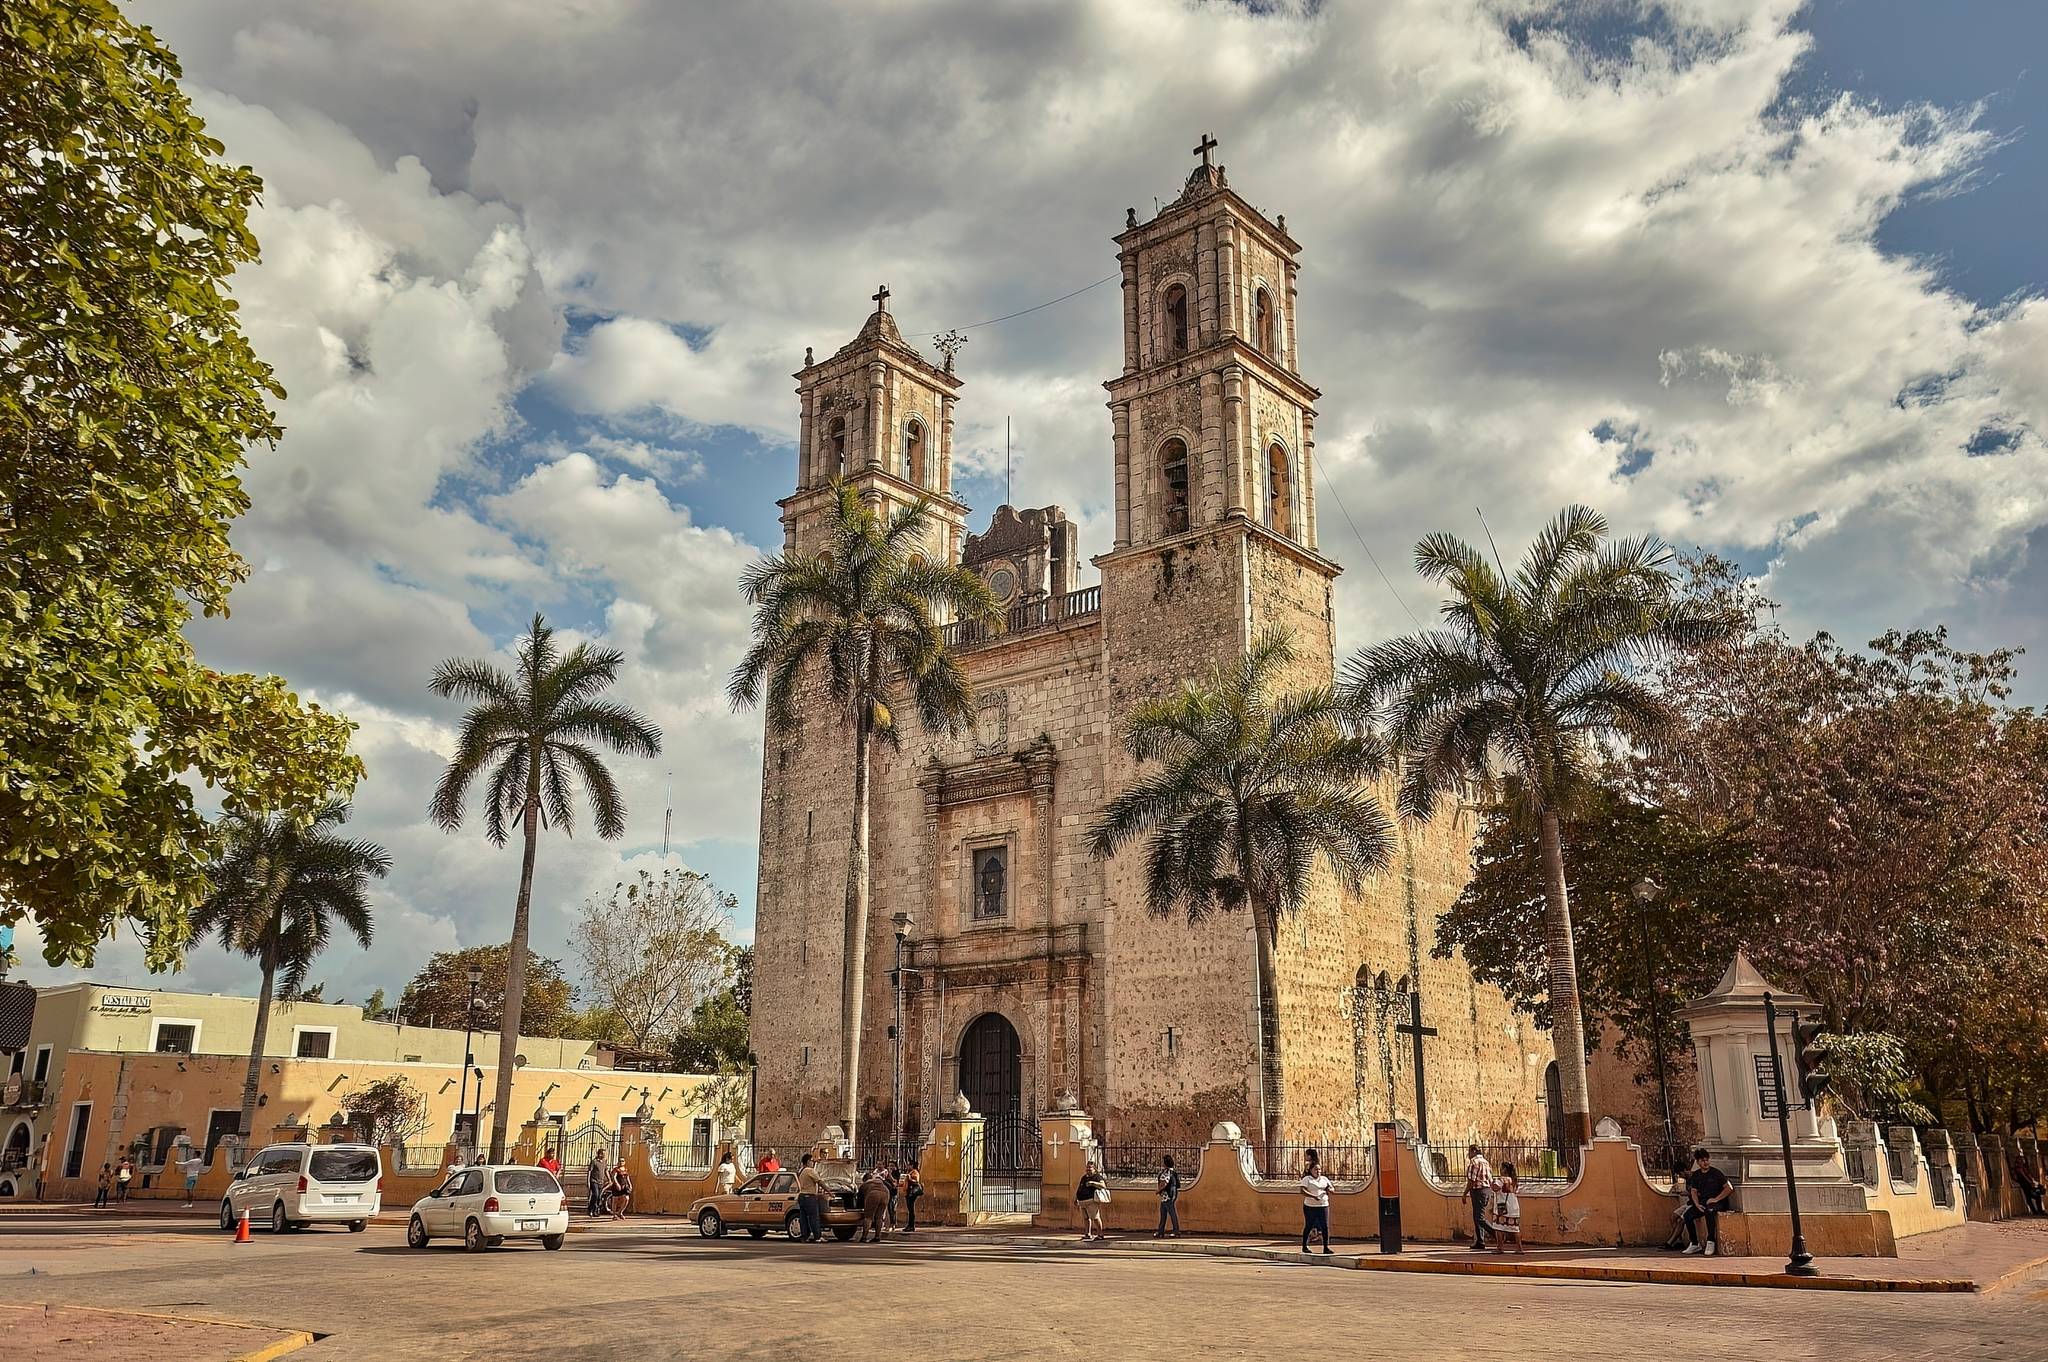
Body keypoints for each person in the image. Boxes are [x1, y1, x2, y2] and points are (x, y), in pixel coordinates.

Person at [1681, 1148, 1732, 1256]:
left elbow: (1729, 1188)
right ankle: (1694, 1243)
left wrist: (1716, 1199)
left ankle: (1711, 1241)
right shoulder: (1696, 1175)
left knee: (1710, 1211)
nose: (1706, 1162)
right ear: (1698, 1162)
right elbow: (1693, 1191)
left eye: (1707, 1160)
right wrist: (1697, 1204)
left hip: (1718, 1202)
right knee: (1687, 1215)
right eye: (1703, 1160)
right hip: (1703, 1203)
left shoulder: (1716, 1173)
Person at [1299, 1149, 1333, 1254]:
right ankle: (1304, 1246)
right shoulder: (1307, 1179)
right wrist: (1313, 1196)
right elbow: (1302, 1191)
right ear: (1311, 1170)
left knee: (1325, 1226)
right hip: (1310, 1206)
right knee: (1309, 1225)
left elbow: (1332, 1189)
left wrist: (1329, 1190)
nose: (1318, 1171)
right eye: (1316, 1169)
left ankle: (1326, 1247)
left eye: (1319, 1169)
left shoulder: (1324, 1179)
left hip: (1323, 1205)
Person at [1463, 1144, 1493, 1251]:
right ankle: (1480, 1241)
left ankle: (1495, 1233)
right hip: (1486, 1190)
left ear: (1474, 1151)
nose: (1469, 1154)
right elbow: (1490, 1179)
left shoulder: (1474, 1162)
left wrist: (1465, 1193)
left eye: (1469, 1152)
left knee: (1479, 1217)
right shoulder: (1486, 1162)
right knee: (1477, 1216)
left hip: (1477, 1191)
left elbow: (1471, 1180)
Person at [1490, 1162, 1523, 1254]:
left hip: (1502, 1207)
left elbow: (1495, 1188)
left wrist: (1490, 1182)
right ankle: (1519, 1248)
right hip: (1514, 1206)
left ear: (1504, 1169)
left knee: (1499, 1227)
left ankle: (1500, 1247)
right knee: (1515, 1228)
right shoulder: (1514, 1180)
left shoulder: (1502, 1179)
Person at [795, 1153, 827, 1243]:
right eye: (812, 1161)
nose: (813, 1163)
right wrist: (829, 1191)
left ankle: (804, 1236)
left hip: (802, 1196)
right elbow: (820, 1182)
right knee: (814, 1217)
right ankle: (817, 1237)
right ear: (808, 1161)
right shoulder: (810, 1171)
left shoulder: (801, 1170)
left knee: (803, 1218)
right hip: (810, 1197)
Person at [1076, 1160, 1109, 1241]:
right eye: (1087, 1167)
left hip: (1091, 1201)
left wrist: (1092, 1183)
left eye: (1090, 1168)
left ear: (1094, 1169)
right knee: (1086, 1218)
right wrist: (1076, 1198)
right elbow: (1079, 1187)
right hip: (1082, 1201)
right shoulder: (1084, 1177)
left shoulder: (1097, 1177)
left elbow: (1103, 1185)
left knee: (1095, 1218)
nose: (1088, 1169)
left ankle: (1100, 1234)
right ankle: (1087, 1234)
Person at [1154, 1153, 1182, 1238]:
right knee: (1163, 1213)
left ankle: (1176, 1231)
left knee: (1171, 1213)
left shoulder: (1167, 1172)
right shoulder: (1173, 1171)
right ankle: (1160, 1231)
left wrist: (1158, 1190)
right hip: (1170, 1195)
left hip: (1167, 1195)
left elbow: (1164, 1182)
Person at [859, 1166, 890, 1242]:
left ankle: (864, 1237)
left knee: (868, 1217)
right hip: (885, 1193)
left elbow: (859, 1199)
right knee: (879, 1217)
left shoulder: (865, 1184)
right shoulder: (878, 1180)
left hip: (873, 1194)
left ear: (865, 1179)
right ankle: (877, 1237)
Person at [585, 1150, 608, 1217]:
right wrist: (588, 1181)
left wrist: (609, 1179)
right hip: (594, 1181)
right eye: (603, 1154)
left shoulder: (604, 1161)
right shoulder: (594, 1161)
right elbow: (589, 1171)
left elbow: (606, 1170)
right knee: (595, 1195)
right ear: (600, 1154)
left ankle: (595, 1210)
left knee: (599, 1196)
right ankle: (591, 1209)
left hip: (601, 1181)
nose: (604, 1155)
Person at [901, 1165, 923, 1233]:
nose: (907, 1167)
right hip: (908, 1192)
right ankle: (909, 1225)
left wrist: (909, 1178)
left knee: (911, 1210)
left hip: (912, 1192)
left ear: (912, 1166)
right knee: (910, 1209)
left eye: (908, 1165)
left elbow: (916, 1181)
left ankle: (911, 1226)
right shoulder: (909, 1172)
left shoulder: (915, 1172)